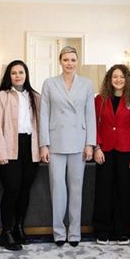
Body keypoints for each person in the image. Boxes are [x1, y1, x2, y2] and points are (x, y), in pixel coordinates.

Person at [39, 46, 96, 247]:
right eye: (66, 59)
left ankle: (74, 231)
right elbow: (44, 114)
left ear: (77, 61)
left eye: (73, 59)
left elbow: (90, 115)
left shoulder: (87, 84)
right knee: (57, 188)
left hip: (79, 142)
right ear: (60, 61)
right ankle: (58, 231)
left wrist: (90, 144)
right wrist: (43, 144)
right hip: (55, 142)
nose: (69, 63)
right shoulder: (49, 83)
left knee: (76, 188)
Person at [0, 60, 42, 251]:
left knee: (25, 189)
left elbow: (41, 126)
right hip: (9, 147)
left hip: (31, 147)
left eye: (21, 72)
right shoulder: (1, 97)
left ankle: (20, 227)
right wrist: (0, 152)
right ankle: (7, 232)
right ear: (8, 76)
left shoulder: (35, 97)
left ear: (26, 74)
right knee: (12, 189)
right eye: (14, 73)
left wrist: (43, 148)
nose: (18, 76)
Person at [93, 64, 130, 245]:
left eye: (122, 76)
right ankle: (102, 230)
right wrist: (97, 147)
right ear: (109, 79)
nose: (118, 80)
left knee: (124, 192)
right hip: (104, 151)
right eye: (115, 77)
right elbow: (95, 125)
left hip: (127, 151)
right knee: (103, 191)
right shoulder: (100, 99)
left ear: (127, 79)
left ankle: (123, 231)